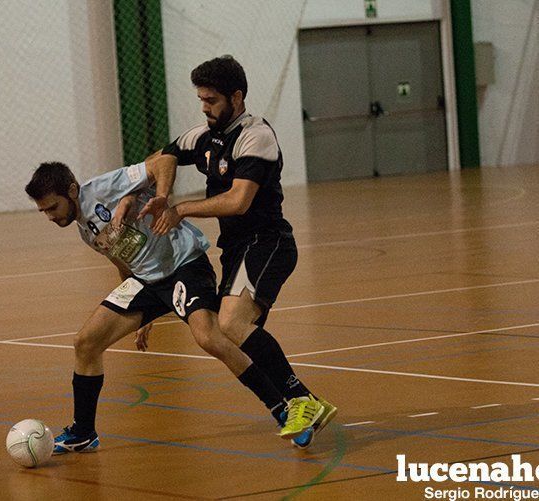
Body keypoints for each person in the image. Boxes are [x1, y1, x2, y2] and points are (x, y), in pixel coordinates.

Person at [25, 160, 300, 455]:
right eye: (43, 211)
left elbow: (163, 162)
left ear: (72, 190)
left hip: (184, 265)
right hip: (145, 281)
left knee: (209, 337)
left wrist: (154, 197)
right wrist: (142, 316)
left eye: (52, 208)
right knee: (86, 343)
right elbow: (122, 260)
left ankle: (281, 405)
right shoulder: (83, 228)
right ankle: (83, 432)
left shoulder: (103, 188)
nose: (50, 217)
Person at [138, 55, 337, 449]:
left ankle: (301, 400)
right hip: (237, 250)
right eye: (201, 99)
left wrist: (180, 210)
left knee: (231, 323)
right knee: (225, 332)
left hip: (268, 243)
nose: (204, 107)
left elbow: (238, 201)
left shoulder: (255, 136)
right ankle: (297, 404)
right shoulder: (207, 135)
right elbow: (162, 158)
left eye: (211, 100)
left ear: (237, 96)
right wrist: (156, 194)